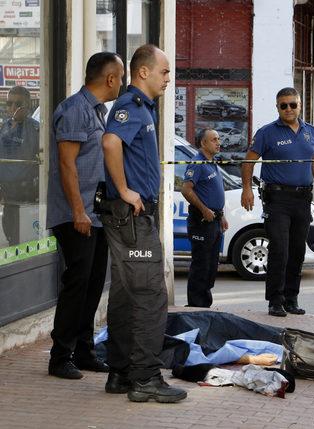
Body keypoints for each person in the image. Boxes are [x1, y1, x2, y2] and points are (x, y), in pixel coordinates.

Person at [100, 44, 186, 403]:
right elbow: (109, 143)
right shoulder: (131, 107)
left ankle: (120, 373)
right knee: (150, 295)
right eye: (165, 72)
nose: (169, 79)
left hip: (129, 216)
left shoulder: (144, 108)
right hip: (132, 216)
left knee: (124, 295)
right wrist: (124, 189)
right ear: (144, 72)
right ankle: (146, 378)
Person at [45, 53, 124, 380]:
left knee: (93, 286)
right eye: (121, 76)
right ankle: (60, 356)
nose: (122, 82)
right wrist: (78, 210)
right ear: (109, 79)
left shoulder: (98, 112)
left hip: (96, 213)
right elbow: (67, 165)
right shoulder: (76, 110)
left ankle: (85, 350)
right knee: (77, 286)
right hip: (76, 215)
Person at [241, 87, 314, 317]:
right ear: (277, 107)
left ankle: (292, 298)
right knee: (279, 249)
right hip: (277, 199)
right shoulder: (267, 133)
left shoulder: (310, 131)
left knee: (297, 250)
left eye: (293, 104)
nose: (289, 109)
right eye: (284, 105)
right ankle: (275, 300)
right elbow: (248, 161)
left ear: (300, 105)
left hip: (302, 198)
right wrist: (246, 190)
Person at [182, 128, 228, 308]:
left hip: (214, 220)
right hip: (202, 221)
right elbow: (187, 189)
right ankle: (195, 306)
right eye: (214, 139)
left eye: (218, 139)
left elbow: (213, 192)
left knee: (211, 265)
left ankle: (205, 304)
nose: (218, 142)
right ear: (203, 143)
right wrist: (203, 209)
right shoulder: (197, 162)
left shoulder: (212, 162)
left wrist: (221, 215)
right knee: (201, 265)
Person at [0, 86, 40, 245]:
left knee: (26, 235)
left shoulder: (35, 128)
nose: (12, 108)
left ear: (27, 105)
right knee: (10, 233)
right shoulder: (6, 127)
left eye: (18, 104)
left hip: (27, 192)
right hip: (8, 192)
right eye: (9, 104)